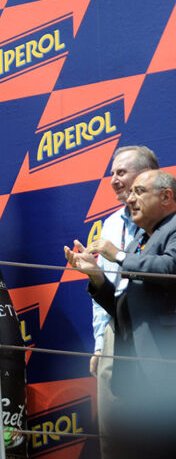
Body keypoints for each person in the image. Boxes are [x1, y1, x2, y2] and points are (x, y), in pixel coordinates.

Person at [65, 169, 176, 458]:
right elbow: (123, 308)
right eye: (131, 193)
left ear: (166, 197)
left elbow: (170, 269)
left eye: (140, 192)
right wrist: (96, 275)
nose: (130, 199)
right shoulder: (139, 241)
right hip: (137, 375)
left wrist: (119, 256)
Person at [86, 145, 156, 457]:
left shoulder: (168, 221)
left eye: (121, 172)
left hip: (156, 327)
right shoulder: (111, 223)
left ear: (146, 175)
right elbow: (106, 288)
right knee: (114, 432)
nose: (113, 180)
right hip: (116, 330)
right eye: (112, 173)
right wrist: (100, 344)